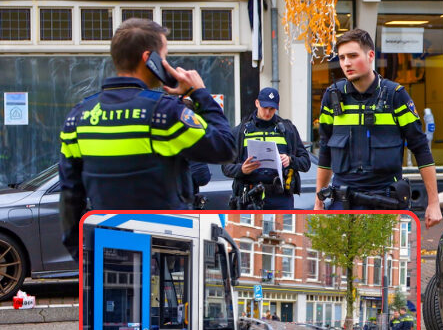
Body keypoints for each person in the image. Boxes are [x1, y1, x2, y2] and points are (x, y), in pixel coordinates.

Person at [58, 18, 236, 261]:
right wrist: (200, 93)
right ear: (148, 58)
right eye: (164, 56)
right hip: (161, 254)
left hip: (106, 252)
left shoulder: (78, 117)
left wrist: (84, 256)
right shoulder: (165, 114)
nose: (166, 64)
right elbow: (226, 148)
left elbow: (70, 197)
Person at [314, 28, 443, 227]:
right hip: (342, 203)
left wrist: (434, 203)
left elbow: (421, 148)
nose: (346, 63)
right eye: (341, 57)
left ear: (370, 55)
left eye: (353, 56)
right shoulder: (332, 97)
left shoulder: (396, 96)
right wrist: (318, 202)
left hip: (386, 202)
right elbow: (325, 151)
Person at [223, 87, 311, 210]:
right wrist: (242, 169)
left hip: (281, 197)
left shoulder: (288, 130)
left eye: (272, 109)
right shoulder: (240, 132)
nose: (268, 112)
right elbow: (226, 167)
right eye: (265, 108)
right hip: (249, 195)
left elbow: (306, 163)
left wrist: (290, 160)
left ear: (277, 106)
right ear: (257, 103)